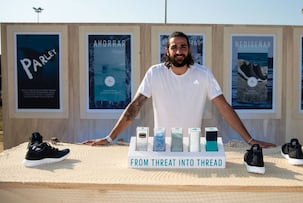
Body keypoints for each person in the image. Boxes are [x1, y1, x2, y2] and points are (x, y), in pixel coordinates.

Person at [83, 31, 276, 148]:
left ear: (189, 50)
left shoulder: (203, 74)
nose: (178, 51)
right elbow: (135, 107)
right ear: (167, 51)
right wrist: (109, 138)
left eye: (183, 46)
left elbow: (224, 108)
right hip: (162, 147)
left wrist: (250, 140)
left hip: (192, 148)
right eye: (174, 47)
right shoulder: (155, 73)